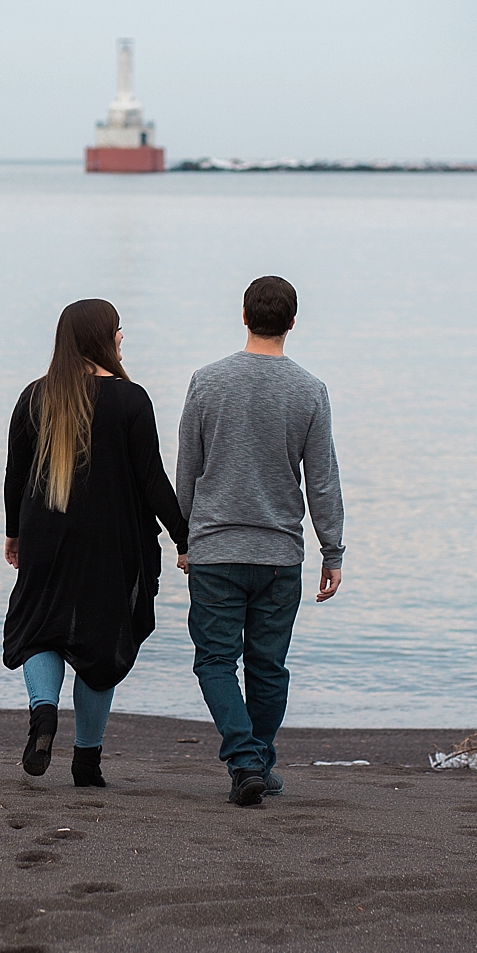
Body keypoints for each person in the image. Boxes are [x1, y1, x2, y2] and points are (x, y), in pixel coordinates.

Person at [3, 299, 189, 787]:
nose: (123, 337)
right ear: (104, 338)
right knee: (100, 645)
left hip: (45, 537)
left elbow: (15, 477)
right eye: (119, 330)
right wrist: (183, 537)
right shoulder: (131, 400)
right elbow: (153, 482)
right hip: (112, 542)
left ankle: (44, 716)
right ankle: (86, 761)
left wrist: (13, 533)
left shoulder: (33, 397)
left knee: (42, 628)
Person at [175, 275, 345, 807]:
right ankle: (256, 760)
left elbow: (188, 468)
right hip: (279, 555)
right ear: (292, 323)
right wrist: (332, 549)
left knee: (215, 661)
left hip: (216, 549)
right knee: (267, 666)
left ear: (244, 316)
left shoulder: (207, 381)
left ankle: (246, 760)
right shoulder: (309, 390)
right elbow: (322, 479)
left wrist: (183, 537)